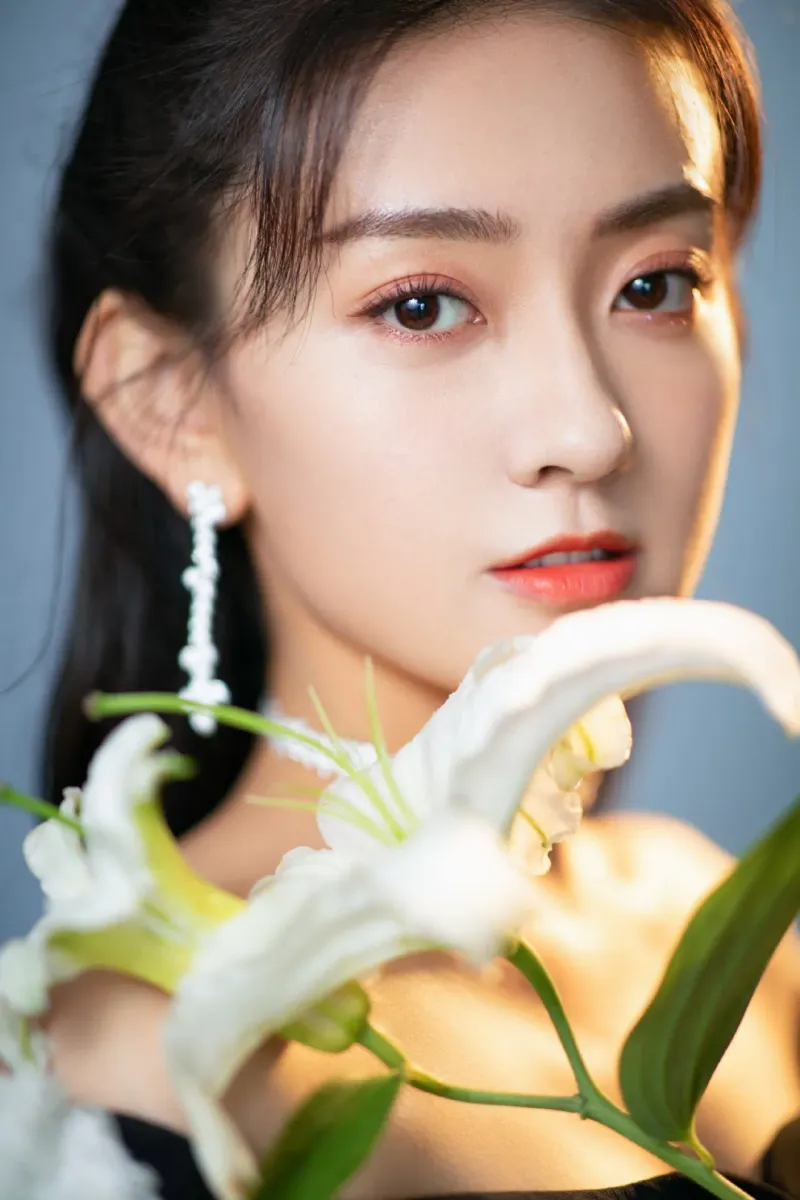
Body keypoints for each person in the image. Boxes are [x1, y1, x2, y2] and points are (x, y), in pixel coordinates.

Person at [22, 0, 800, 1196]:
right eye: (421, 304)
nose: (586, 430)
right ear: (171, 401)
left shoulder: (714, 919)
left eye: (653, 284)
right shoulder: (144, 1071)